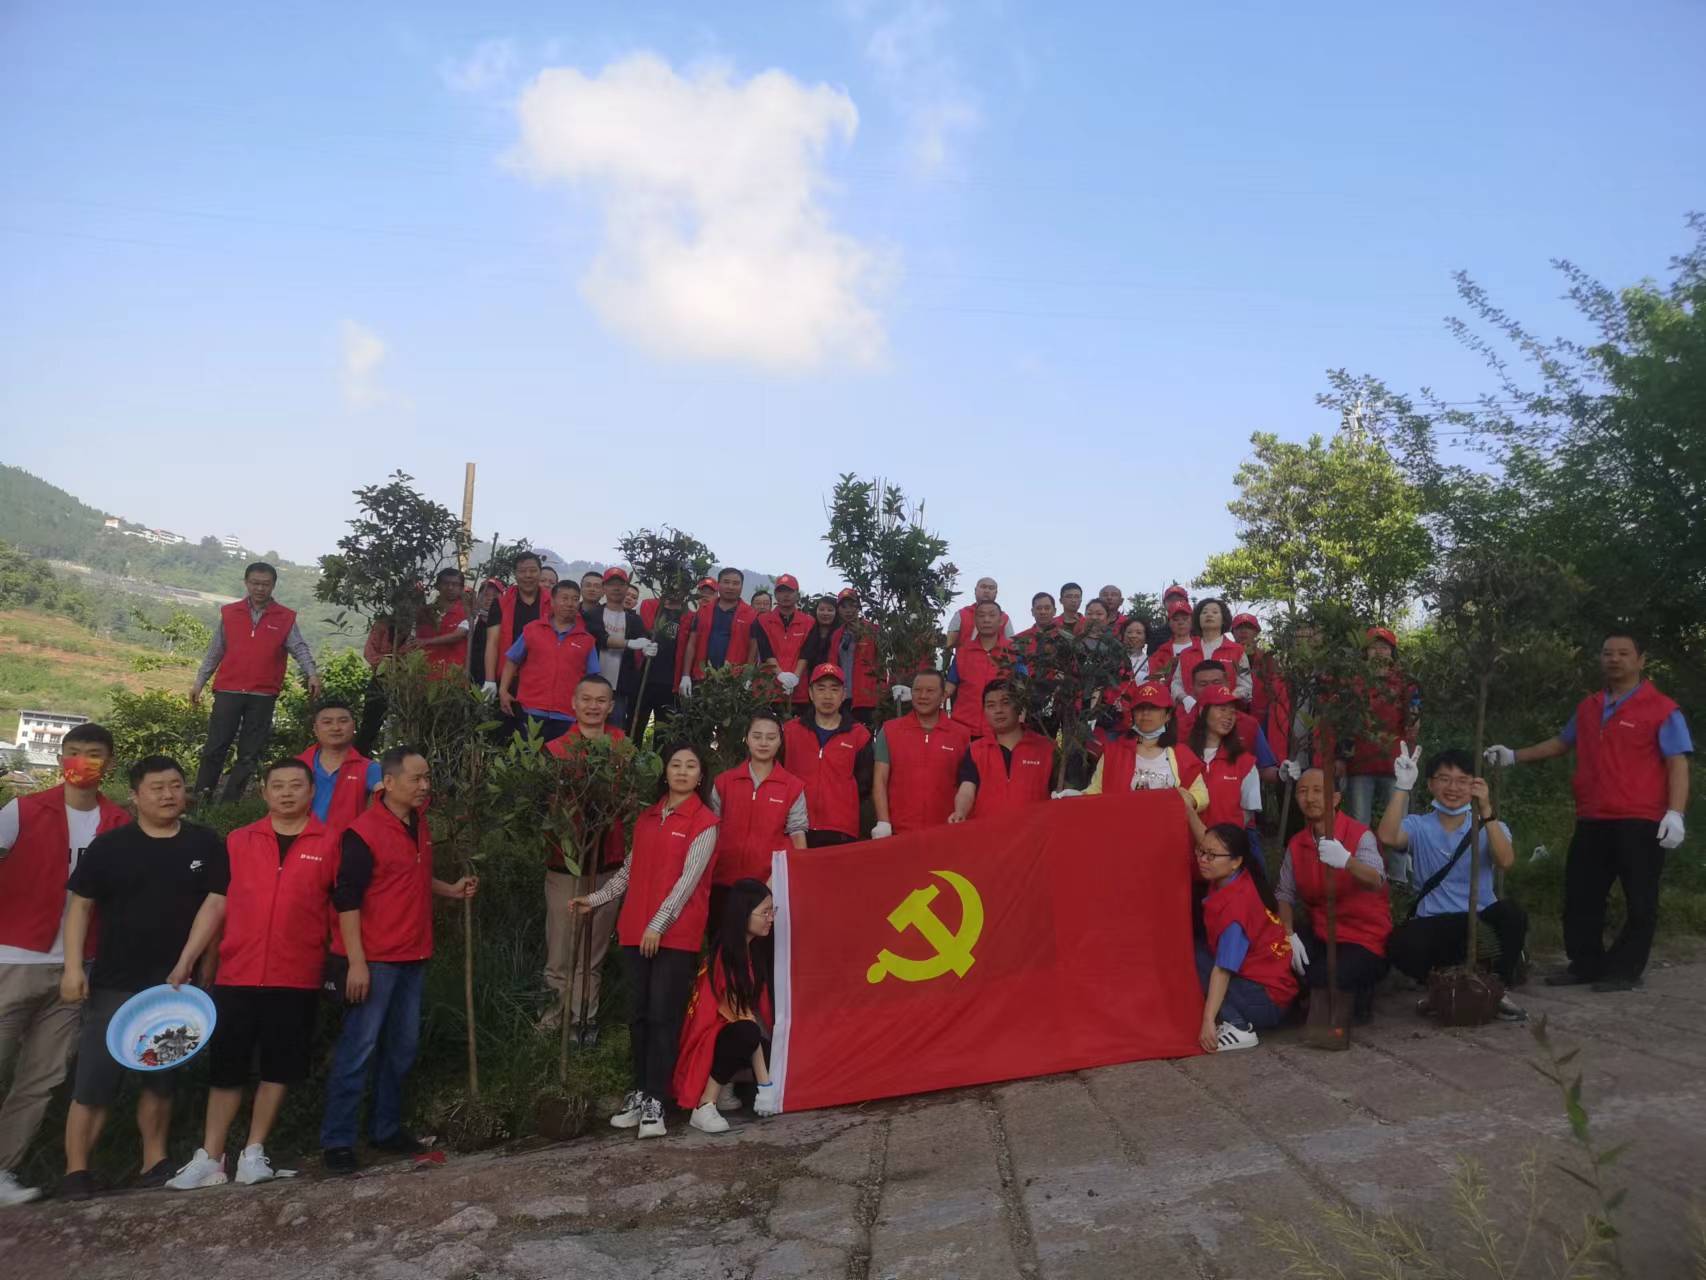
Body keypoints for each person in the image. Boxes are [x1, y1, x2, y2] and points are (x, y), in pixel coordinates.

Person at [163, 760, 341, 1189]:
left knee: (279, 1068)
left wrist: (343, 962)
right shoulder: (239, 841)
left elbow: (342, 910)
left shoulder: (332, 842)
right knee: (227, 1068)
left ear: (312, 791)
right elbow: (216, 903)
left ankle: (254, 1152)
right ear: (264, 792)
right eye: (277, 786)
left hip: (296, 974)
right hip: (237, 972)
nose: (286, 793)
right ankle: (210, 1157)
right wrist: (188, 958)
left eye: (296, 785)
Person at [58, 756, 229, 1200]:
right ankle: (76, 1171)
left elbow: (215, 904)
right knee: (95, 1079)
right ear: (135, 796)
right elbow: (79, 906)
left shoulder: (205, 843)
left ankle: (154, 1161)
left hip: (175, 988)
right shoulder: (109, 846)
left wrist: (199, 961)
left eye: (175, 785)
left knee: (161, 1076)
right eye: (157, 787)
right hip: (115, 981)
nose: (168, 794)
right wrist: (73, 967)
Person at [1485, 631, 1692, 991]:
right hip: (1593, 817)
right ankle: (1585, 964)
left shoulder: (1662, 709)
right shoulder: (1589, 706)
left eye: (1624, 653)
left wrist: (1676, 813)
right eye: (1608, 653)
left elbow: (1677, 763)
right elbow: (1561, 743)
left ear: (1641, 660)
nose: (1615, 659)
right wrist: (1514, 756)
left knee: (1640, 900)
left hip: (1641, 819)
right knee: (1582, 895)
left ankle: (1625, 970)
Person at [320, 748, 476, 1174]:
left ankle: (385, 1129)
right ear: (388, 783)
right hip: (375, 959)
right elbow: (346, 900)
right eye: (416, 779)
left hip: (414, 953)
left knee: (402, 1047)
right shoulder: (362, 832)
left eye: (427, 778)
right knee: (359, 1048)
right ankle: (338, 1140)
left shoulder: (418, 822)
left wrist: (450, 889)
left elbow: (409, 875)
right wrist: (356, 963)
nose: (425, 786)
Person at [0, 724, 130, 1207]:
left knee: (42, 1078)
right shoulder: (23, 810)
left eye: (93, 754)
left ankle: (3, 1168)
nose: (81, 762)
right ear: (59, 759)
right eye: (72, 752)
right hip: (14, 958)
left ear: (109, 763)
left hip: (78, 968)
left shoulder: (120, 823)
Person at [574, 743, 720, 1140]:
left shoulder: (705, 822)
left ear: (701, 776)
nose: (682, 771)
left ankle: (658, 1098)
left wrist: (658, 924)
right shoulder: (647, 817)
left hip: (674, 935)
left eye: (691, 766)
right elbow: (629, 871)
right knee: (637, 1016)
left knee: (662, 1017)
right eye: (676, 764)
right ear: (665, 772)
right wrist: (595, 899)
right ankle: (639, 1092)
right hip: (636, 931)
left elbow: (687, 883)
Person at [1379, 747, 1527, 1020]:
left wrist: (1487, 812)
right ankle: (1439, 989)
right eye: (1444, 779)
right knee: (1399, 942)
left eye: (1462, 780)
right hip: (1435, 922)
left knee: (1512, 913)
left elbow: (1505, 861)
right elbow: (1387, 837)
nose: (1453, 788)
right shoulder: (1418, 825)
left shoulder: (1488, 825)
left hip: (1479, 919)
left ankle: (1498, 988)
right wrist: (1402, 787)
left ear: (1474, 784)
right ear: (1430, 784)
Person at [540, 677, 629, 1036]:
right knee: (560, 951)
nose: (594, 706)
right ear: (574, 703)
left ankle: (583, 1021)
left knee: (592, 955)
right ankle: (552, 1022)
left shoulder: (623, 748)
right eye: (587, 699)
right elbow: (544, 807)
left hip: (608, 863)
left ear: (611, 706)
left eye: (601, 700)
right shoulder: (555, 750)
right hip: (565, 864)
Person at [191, 562, 321, 803]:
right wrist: (199, 682)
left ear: (273, 585)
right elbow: (215, 651)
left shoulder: (285, 617)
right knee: (215, 747)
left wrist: (312, 673)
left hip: (263, 694)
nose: (260, 588)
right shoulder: (230, 613)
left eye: (265, 584)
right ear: (246, 583)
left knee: (249, 753)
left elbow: (299, 648)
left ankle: (230, 803)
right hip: (228, 690)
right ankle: (201, 798)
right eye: (255, 583)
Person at [1275, 767, 1390, 1024]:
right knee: (1276, 955)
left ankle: (1358, 994)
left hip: (1363, 937)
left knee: (1324, 976)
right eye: (1303, 791)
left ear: (1336, 798)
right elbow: (1284, 893)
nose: (1310, 798)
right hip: (1322, 933)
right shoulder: (1297, 843)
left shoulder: (1359, 834)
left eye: (1318, 791)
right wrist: (1288, 933)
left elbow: (1376, 879)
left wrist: (1347, 861)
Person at [675, 879, 779, 1133]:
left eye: (772, 911)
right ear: (744, 914)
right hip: (709, 1037)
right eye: (764, 912)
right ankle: (705, 1103)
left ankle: (724, 1088)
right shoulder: (727, 955)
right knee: (747, 1033)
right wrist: (765, 1085)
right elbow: (742, 1018)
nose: (770, 919)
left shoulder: (750, 949)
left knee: (771, 1048)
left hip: (727, 1031)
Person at [1196, 823, 1298, 1052]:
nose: (1203, 859)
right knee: (1197, 953)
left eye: (1211, 855)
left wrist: (1207, 1020)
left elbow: (1223, 970)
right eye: (1201, 851)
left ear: (1236, 862)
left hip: (1266, 999)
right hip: (1265, 983)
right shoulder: (1234, 879)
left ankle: (1238, 1026)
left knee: (1200, 963)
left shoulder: (1236, 910)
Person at [709, 714, 808, 912]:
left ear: (780, 741)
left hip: (769, 884)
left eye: (771, 738)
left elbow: (798, 836)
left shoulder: (793, 786)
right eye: (757, 736)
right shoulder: (724, 782)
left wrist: (793, 875)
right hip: (722, 880)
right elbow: (711, 832)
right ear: (746, 739)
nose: (763, 743)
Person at [781, 664, 873, 846]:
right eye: (821, 688)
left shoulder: (859, 735)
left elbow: (865, 783)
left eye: (834, 689)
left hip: (840, 827)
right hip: (796, 826)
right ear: (810, 693)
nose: (827, 696)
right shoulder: (790, 731)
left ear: (843, 694)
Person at [1077, 681, 1208, 808]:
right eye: (1140, 708)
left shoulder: (1182, 754)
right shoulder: (1114, 752)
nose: (1146, 713)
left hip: (1167, 822)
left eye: (1154, 708)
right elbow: (1096, 789)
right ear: (1133, 714)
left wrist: (1189, 800)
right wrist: (1076, 798)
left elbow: (1201, 794)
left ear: (1168, 715)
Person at [871, 670, 971, 837]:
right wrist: (883, 822)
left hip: (945, 832)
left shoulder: (961, 735)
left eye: (930, 691)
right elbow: (880, 780)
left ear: (943, 695)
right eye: (917, 690)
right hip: (899, 833)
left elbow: (967, 785)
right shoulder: (890, 731)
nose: (923, 696)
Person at [499, 580, 600, 744]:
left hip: (568, 714)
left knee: (560, 759)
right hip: (531, 709)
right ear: (552, 601)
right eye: (564, 598)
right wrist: (503, 691)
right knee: (527, 756)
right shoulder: (532, 629)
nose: (570, 604)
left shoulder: (587, 640)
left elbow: (592, 678)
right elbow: (512, 660)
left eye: (575, 599)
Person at [1342, 627, 1420, 827]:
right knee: (1359, 825)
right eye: (1373, 647)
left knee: (1397, 825)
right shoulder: (1353, 682)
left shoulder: (1404, 682)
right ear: (1365, 652)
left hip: (1395, 763)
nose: (1379, 652)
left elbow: (1413, 719)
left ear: (1392, 652)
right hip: (1360, 764)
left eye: (1384, 647)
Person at [953, 680, 1054, 820]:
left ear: (1019, 707)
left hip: (1033, 830)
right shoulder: (976, 750)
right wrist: (960, 812)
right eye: (991, 705)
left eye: (1005, 703)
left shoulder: (1046, 748)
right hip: (988, 830)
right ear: (984, 711)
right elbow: (967, 789)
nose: (998, 710)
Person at [1189, 686, 1264, 866]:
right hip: (1187, 853)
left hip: (1225, 858)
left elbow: (1247, 814)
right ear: (1202, 711)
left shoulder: (1245, 763)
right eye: (1222, 709)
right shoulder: (1182, 756)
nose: (1229, 716)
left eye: (1232, 711)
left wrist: (1223, 843)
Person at [297, 701, 380, 834]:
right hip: (302, 841)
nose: (336, 728)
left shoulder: (369, 768)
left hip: (348, 843)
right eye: (327, 722)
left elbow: (390, 799)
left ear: (353, 726)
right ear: (316, 729)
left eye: (343, 721)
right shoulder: (297, 766)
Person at [679, 568, 757, 696]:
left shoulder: (751, 615)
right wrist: (686, 675)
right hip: (702, 678)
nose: (730, 587)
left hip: (733, 680)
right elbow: (692, 643)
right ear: (719, 584)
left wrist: (747, 676)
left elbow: (753, 647)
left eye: (736, 583)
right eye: (726, 582)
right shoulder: (702, 611)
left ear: (742, 586)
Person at [946, 600, 1016, 739]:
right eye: (981, 615)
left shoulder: (1014, 652)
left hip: (1000, 731)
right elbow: (949, 687)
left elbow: (1023, 690)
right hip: (963, 729)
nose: (986, 620)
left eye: (992, 615)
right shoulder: (963, 651)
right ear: (975, 620)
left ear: (1001, 621)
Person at [594, 567, 651, 729]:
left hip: (620, 688)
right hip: (593, 683)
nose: (616, 588)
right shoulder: (593, 614)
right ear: (604, 588)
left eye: (620, 584)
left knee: (615, 730)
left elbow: (644, 639)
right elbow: (601, 638)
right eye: (611, 584)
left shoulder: (634, 620)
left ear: (626, 587)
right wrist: (629, 643)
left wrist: (648, 648)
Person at [1170, 598, 1252, 708]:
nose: (1209, 615)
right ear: (1198, 619)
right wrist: (1185, 699)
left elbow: (1246, 684)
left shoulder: (1237, 651)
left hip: (1227, 712)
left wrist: (1227, 699)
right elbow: (1176, 683)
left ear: (1223, 619)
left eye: (1215, 612)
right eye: (1204, 612)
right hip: (1191, 713)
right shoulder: (1186, 653)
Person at [484, 552, 547, 692]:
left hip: (542, 678)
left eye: (533, 570)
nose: (528, 575)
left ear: (540, 573)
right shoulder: (500, 604)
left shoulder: (552, 604)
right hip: (508, 679)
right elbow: (492, 643)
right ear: (515, 574)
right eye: (522, 571)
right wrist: (490, 680)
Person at [1234, 612, 1290, 763]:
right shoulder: (1227, 656)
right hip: (1234, 716)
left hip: (1263, 718)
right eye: (1239, 628)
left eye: (1249, 627)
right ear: (1233, 632)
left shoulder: (1267, 658)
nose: (1244, 631)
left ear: (1257, 632)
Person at [754, 574, 811, 714]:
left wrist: (795, 677)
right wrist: (780, 675)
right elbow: (765, 650)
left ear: (797, 594)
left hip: (799, 692)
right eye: (781, 591)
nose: (785, 595)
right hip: (768, 690)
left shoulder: (809, 622)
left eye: (790, 591)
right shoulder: (762, 621)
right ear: (775, 595)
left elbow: (807, 652)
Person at [633, 590, 686, 740]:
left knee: (663, 734)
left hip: (670, 683)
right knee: (635, 727)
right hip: (644, 678)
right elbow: (637, 632)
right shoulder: (648, 606)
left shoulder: (688, 615)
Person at [833, 589, 884, 724]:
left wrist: (882, 691)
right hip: (842, 697)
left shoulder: (873, 630)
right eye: (844, 607)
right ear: (838, 610)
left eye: (852, 605)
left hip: (866, 697)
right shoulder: (837, 635)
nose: (848, 610)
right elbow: (833, 664)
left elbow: (882, 663)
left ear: (859, 607)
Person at [411, 568, 470, 679]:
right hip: (423, 675)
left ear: (461, 588)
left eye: (455, 584)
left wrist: (426, 641)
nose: (450, 587)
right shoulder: (425, 612)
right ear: (437, 586)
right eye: (446, 583)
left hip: (453, 676)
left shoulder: (467, 613)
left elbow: (458, 635)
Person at [944, 577, 1013, 659]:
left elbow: (1011, 646)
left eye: (991, 588)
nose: (987, 591)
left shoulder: (1004, 618)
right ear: (975, 590)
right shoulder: (961, 614)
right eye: (983, 587)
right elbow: (949, 644)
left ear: (996, 593)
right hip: (963, 662)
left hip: (995, 663)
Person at [357, 612, 396, 755]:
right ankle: (359, 760)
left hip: (409, 682)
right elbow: (369, 653)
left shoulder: (421, 626)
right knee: (369, 727)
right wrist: (392, 660)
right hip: (381, 679)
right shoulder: (382, 624)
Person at [1148, 598, 1195, 688]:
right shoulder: (1161, 652)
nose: (1181, 622)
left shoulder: (1202, 645)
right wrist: (1169, 667)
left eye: (1185, 619)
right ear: (1169, 623)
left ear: (1192, 621)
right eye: (1176, 619)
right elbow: (1154, 680)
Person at [466, 578, 502, 682]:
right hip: (471, 678)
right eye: (485, 594)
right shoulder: (471, 621)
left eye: (495, 595)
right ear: (478, 597)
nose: (490, 598)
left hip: (495, 679)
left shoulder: (506, 623)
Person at [1118, 616, 1151, 683]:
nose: (1133, 636)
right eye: (1129, 632)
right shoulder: (1114, 660)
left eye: (1138, 633)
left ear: (1146, 638)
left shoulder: (1151, 663)